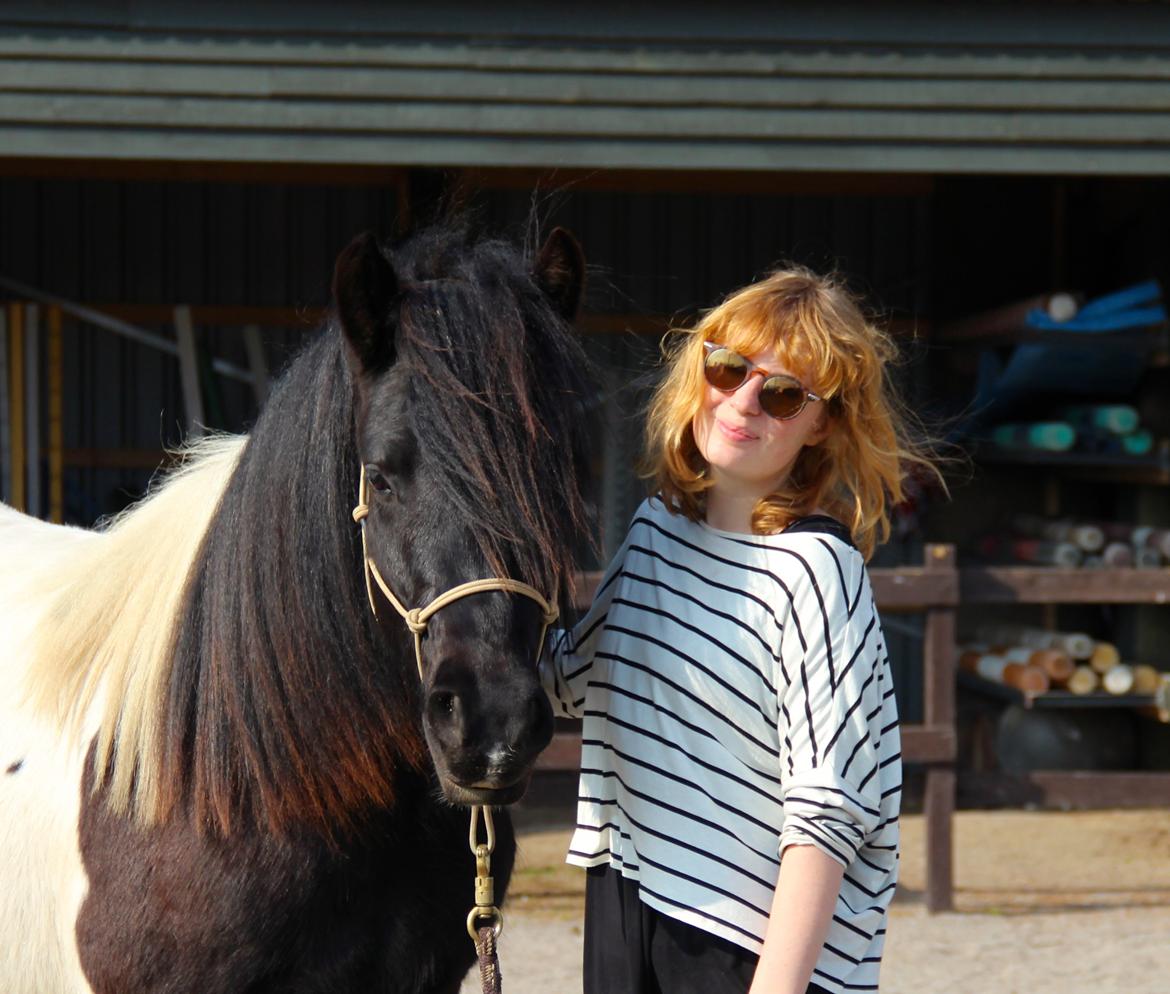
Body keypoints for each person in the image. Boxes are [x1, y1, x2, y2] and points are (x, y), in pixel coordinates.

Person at [540, 266, 941, 994]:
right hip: (628, 904)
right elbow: (573, 681)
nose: (743, 401)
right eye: (728, 368)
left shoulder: (816, 574)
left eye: (784, 393)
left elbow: (827, 813)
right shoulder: (655, 531)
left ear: (822, 423)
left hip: (746, 948)